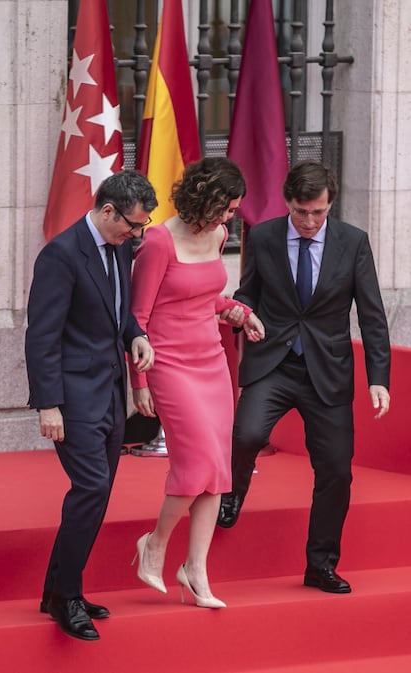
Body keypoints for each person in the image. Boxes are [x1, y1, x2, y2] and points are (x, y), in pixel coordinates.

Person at [217, 159, 391, 594]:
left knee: (335, 470)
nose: (310, 221)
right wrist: (241, 313)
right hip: (274, 361)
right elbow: (247, 292)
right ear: (287, 203)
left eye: (318, 212)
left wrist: (379, 376)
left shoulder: (353, 243)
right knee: (246, 435)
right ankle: (233, 493)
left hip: (327, 372)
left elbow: (371, 315)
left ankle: (320, 564)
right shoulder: (264, 236)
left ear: (330, 204)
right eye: (301, 211)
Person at [25, 170, 157, 640]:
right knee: (91, 489)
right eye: (132, 225)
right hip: (73, 398)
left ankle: (56, 590)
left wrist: (136, 336)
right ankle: (67, 597)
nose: (136, 234)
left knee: (96, 494)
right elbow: (41, 336)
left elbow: (117, 311)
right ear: (107, 211)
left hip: (109, 391)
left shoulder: (118, 248)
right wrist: (48, 405)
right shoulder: (61, 255)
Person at [129, 157, 265, 608]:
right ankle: (154, 544)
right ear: (205, 200)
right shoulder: (158, 242)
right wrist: (140, 381)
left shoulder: (220, 234)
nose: (231, 218)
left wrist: (240, 312)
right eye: (227, 208)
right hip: (168, 362)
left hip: (211, 360)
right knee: (194, 469)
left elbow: (207, 297)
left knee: (217, 471)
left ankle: (196, 572)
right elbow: (138, 318)